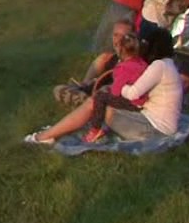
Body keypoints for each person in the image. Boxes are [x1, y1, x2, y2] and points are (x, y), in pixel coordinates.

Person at [25, 28, 181, 145]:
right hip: (153, 122)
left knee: (96, 103)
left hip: (154, 130)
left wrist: (121, 87)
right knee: (99, 101)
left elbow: (133, 93)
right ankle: (56, 130)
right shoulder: (167, 65)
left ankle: (45, 136)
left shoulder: (159, 66)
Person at [80, 30, 148, 143]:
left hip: (133, 103)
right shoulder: (142, 63)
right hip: (144, 100)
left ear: (120, 50)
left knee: (100, 97)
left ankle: (95, 129)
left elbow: (116, 91)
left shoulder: (123, 68)